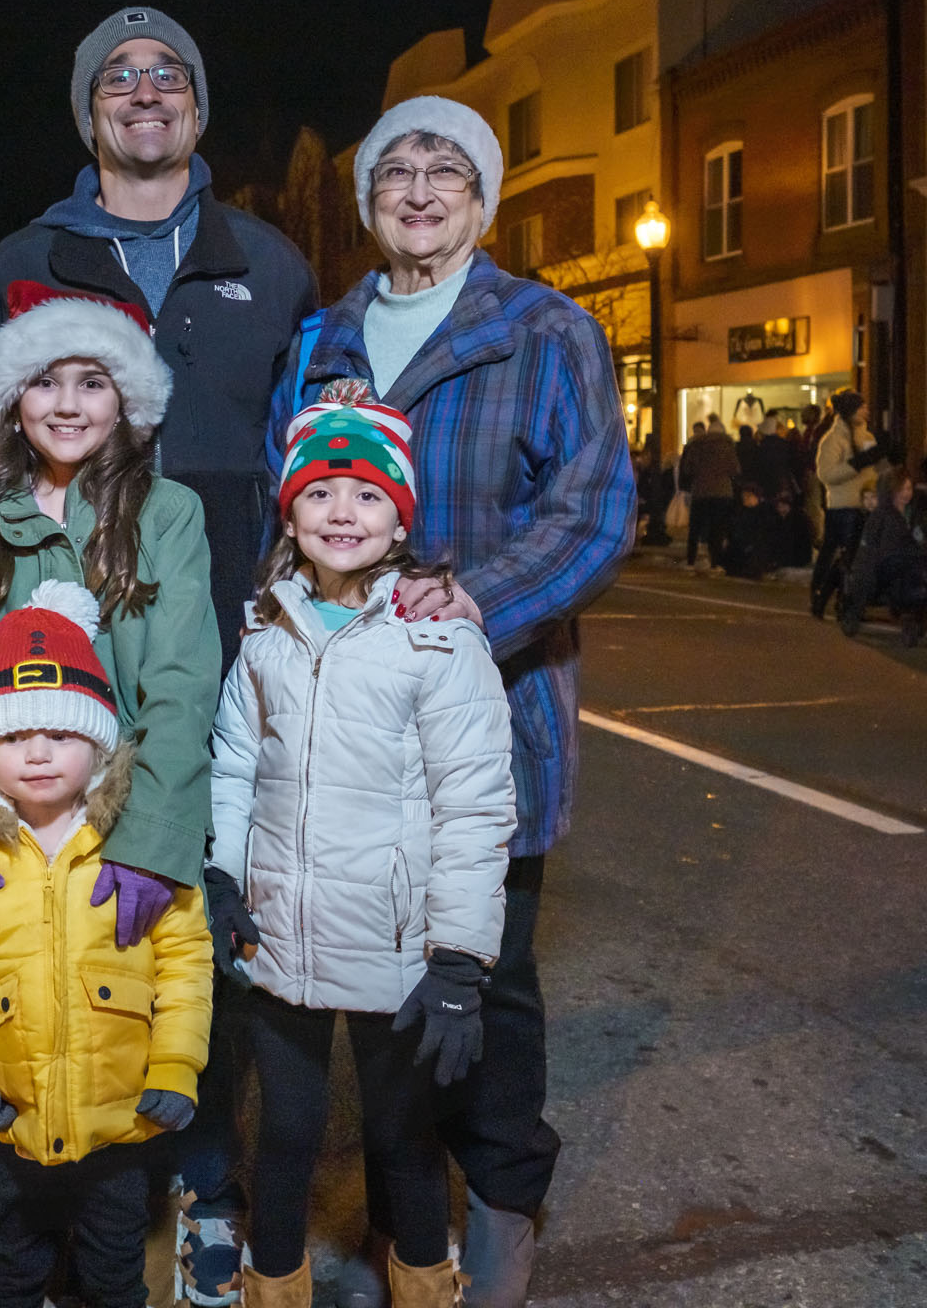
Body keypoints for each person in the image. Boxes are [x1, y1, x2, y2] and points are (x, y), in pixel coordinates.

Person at [281, 96, 636, 1308]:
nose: (420, 190)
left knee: (487, 978)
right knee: (380, 982)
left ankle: (500, 1199)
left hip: (498, 712)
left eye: (448, 171)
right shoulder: (324, 336)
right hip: (351, 726)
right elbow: (291, 510)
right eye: (396, 171)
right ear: (371, 199)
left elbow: (591, 509)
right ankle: (404, 1215)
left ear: (483, 201)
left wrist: (474, 598)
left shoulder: (545, 331)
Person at [211, 383, 514, 1308]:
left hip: (396, 947)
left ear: (400, 519)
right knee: (287, 1135)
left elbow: (474, 806)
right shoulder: (265, 629)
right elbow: (232, 763)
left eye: (369, 494)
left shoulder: (437, 644)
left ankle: (426, 1285)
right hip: (281, 937)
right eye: (320, 492)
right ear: (291, 512)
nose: (343, 512)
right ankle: (274, 1287)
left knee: (402, 1142)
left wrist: (459, 958)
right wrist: (223, 873)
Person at [0, 6, 316, 671]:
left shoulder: (272, 268)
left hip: (239, 636)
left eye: (168, 74)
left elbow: (306, 449)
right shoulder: (18, 269)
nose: (146, 91)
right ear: (88, 112)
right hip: (65, 638)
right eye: (118, 77)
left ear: (196, 104)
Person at [0, 582, 213, 1308]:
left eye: (63, 735)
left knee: (114, 1274)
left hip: (122, 1124)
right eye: (12, 737)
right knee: (13, 1270)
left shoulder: (138, 847)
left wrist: (177, 1063)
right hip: (10, 1124)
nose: (38, 755)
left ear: (98, 742)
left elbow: (186, 960)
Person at [0, 286, 220, 943]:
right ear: (15, 403)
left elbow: (180, 682)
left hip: (121, 817)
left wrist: (152, 841)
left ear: (126, 402)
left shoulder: (168, 513)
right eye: (45, 382)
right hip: (2, 823)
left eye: (93, 383)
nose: (68, 405)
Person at [811, 390, 881, 618]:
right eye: (862, 407)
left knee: (855, 556)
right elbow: (826, 473)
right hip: (842, 507)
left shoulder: (867, 436)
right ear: (851, 411)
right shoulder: (833, 439)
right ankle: (828, 596)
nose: (866, 410)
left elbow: (876, 469)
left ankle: (842, 598)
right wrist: (856, 464)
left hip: (866, 505)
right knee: (841, 554)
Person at [840, 468, 925, 645]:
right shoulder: (884, 517)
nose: (906, 494)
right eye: (901, 489)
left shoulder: (913, 514)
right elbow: (886, 553)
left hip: (900, 568)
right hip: (877, 573)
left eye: (909, 489)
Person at [677, 416, 741, 570]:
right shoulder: (728, 446)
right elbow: (735, 469)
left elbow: (687, 469)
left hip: (701, 491)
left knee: (696, 528)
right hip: (722, 492)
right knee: (717, 529)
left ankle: (691, 561)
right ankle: (715, 563)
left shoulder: (698, 445)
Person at [721, 485, 771, 580]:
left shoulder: (763, 512)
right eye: (743, 496)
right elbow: (732, 528)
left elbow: (762, 532)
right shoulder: (740, 511)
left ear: (756, 497)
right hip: (739, 545)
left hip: (753, 546)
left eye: (748, 496)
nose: (745, 498)